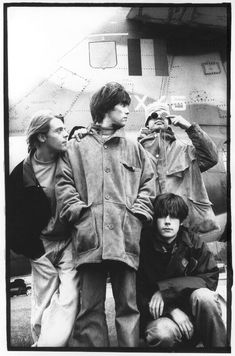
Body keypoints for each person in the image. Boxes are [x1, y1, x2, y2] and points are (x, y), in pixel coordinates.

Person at [55, 82, 157, 347]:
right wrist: (81, 215)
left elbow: (149, 184)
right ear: (104, 108)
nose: (127, 111)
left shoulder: (134, 149)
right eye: (122, 105)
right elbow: (63, 187)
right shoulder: (75, 149)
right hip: (90, 239)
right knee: (89, 310)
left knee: (128, 308)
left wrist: (137, 215)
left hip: (125, 238)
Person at [7, 110, 79, 347]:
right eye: (58, 130)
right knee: (43, 303)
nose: (65, 133)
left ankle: (46, 348)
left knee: (69, 297)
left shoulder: (70, 160)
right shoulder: (20, 175)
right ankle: (42, 345)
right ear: (41, 137)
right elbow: (12, 223)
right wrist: (35, 253)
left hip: (68, 242)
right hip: (41, 246)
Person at [136, 193, 227, 350]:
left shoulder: (193, 241)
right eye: (162, 217)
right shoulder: (143, 245)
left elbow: (209, 277)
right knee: (162, 333)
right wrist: (172, 310)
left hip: (192, 315)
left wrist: (165, 289)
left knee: (205, 297)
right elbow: (137, 291)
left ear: (181, 221)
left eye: (173, 217)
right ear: (155, 219)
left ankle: (218, 350)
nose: (168, 222)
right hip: (161, 318)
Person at [138, 97, 219, 237]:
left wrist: (189, 128)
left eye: (163, 115)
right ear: (147, 124)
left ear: (169, 120)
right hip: (147, 227)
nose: (158, 118)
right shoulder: (136, 151)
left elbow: (211, 157)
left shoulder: (185, 150)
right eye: (153, 116)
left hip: (183, 226)